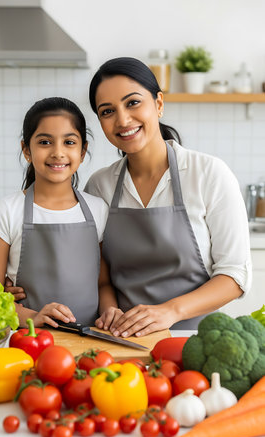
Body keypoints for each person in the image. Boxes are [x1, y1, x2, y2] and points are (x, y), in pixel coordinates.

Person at [84, 56, 251, 336]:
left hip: (195, 340)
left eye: (133, 102)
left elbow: (235, 276)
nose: (123, 119)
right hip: (123, 340)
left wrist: (170, 311)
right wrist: (109, 310)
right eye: (107, 111)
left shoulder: (208, 173)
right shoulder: (99, 185)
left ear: (158, 104)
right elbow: (100, 276)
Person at [0, 97, 118, 328]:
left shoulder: (98, 209)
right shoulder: (7, 210)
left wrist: (110, 311)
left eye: (69, 142)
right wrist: (31, 318)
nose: (57, 152)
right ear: (26, 150)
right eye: (45, 142)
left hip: (91, 342)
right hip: (28, 341)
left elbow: (103, 283)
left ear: (83, 151)